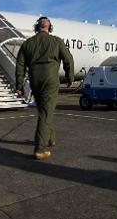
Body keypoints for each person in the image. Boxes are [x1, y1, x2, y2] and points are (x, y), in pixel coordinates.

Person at [15, 16, 74, 160]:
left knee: (45, 110)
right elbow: (69, 59)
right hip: (50, 80)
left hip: (35, 81)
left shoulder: (27, 44)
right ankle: (40, 148)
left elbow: (20, 66)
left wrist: (19, 85)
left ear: (36, 27)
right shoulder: (56, 41)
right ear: (50, 27)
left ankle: (49, 138)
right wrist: (70, 77)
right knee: (46, 113)